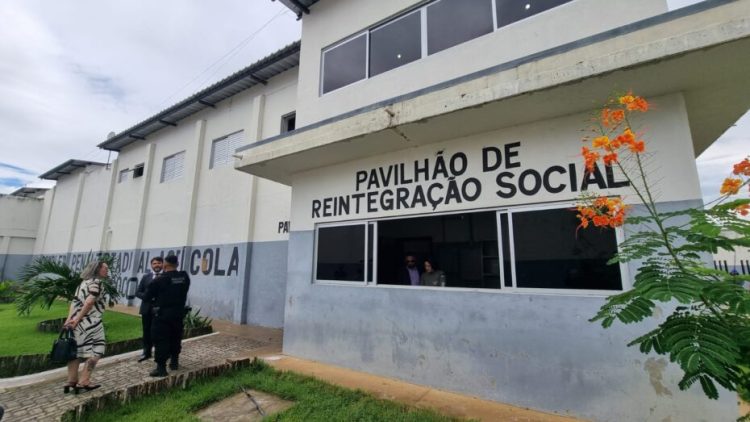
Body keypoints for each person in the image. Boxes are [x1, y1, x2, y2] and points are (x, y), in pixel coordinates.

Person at [63, 260, 109, 393]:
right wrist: (77, 319)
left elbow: (74, 303)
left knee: (75, 351)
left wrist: (69, 320)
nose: (107, 270)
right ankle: (84, 380)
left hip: (76, 323)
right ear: (97, 269)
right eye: (105, 268)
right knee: (97, 350)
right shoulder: (97, 283)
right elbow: (89, 302)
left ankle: (71, 380)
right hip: (91, 322)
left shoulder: (83, 283)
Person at [143, 254, 190, 377]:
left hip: (162, 315)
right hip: (178, 314)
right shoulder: (184, 277)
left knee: (161, 340)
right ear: (177, 264)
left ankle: (161, 368)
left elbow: (147, 297)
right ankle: (174, 362)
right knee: (176, 337)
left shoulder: (159, 280)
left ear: (164, 265)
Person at [134, 256, 163, 362]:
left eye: (159, 263)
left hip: (160, 310)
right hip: (147, 309)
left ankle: (161, 354)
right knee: (147, 331)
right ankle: (146, 352)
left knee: (159, 332)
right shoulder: (146, 277)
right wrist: (146, 297)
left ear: (163, 264)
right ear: (151, 265)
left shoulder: (165, 277)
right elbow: (137, 292)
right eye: (154, 263)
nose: (157, 265)